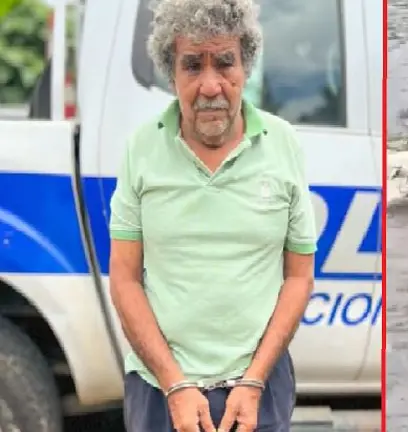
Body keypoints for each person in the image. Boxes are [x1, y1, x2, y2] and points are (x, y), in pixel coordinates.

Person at [108, 0, 318, 431]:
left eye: (224, 63)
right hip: (160, 391)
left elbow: (299, 276)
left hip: (258, 389)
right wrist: (175, 385)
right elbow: (125, 279)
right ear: (171, 73)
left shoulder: (284, 145)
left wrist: (254, 380)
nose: (210, 86)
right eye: (192, 65)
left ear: (246, 68)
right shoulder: (141, 150)